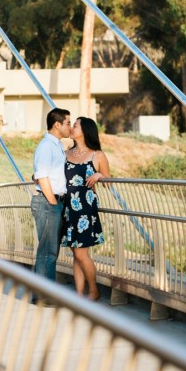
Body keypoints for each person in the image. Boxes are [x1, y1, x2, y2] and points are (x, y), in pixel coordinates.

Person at [61, 116, 110, 301]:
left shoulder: (97, 155)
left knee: (81, 253)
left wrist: (99, 175)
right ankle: (80, 294)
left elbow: (108, 181)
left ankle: (94, 290)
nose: (72, 128)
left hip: (85, 210)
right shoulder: (66, 153)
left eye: (75, 126)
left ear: (85, 131)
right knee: (75, 252)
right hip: (67, 209)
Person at [31, 107, 72, 290]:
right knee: (47, 251)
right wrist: (54, 204)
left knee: (50, 251)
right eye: (68, 123)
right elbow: (42, 176)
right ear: (57, 124)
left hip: (53, 202)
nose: (70, 127)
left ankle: (45, 292)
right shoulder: (47, 146)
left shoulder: (56, 146)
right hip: (48, 202)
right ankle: (43, 294)